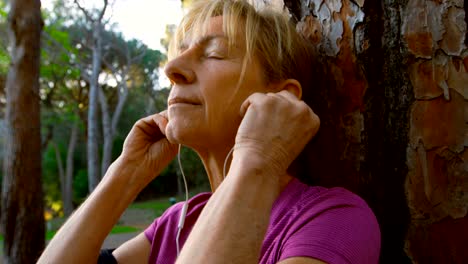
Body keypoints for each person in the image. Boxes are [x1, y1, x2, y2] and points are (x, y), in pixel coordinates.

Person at [38, 0, 381, 263]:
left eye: (214, 54)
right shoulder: (177, 223)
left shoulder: (332, 219)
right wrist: (124, 174)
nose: (172, 68)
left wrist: (259, 159)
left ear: (280, 100)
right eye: (181, 51)